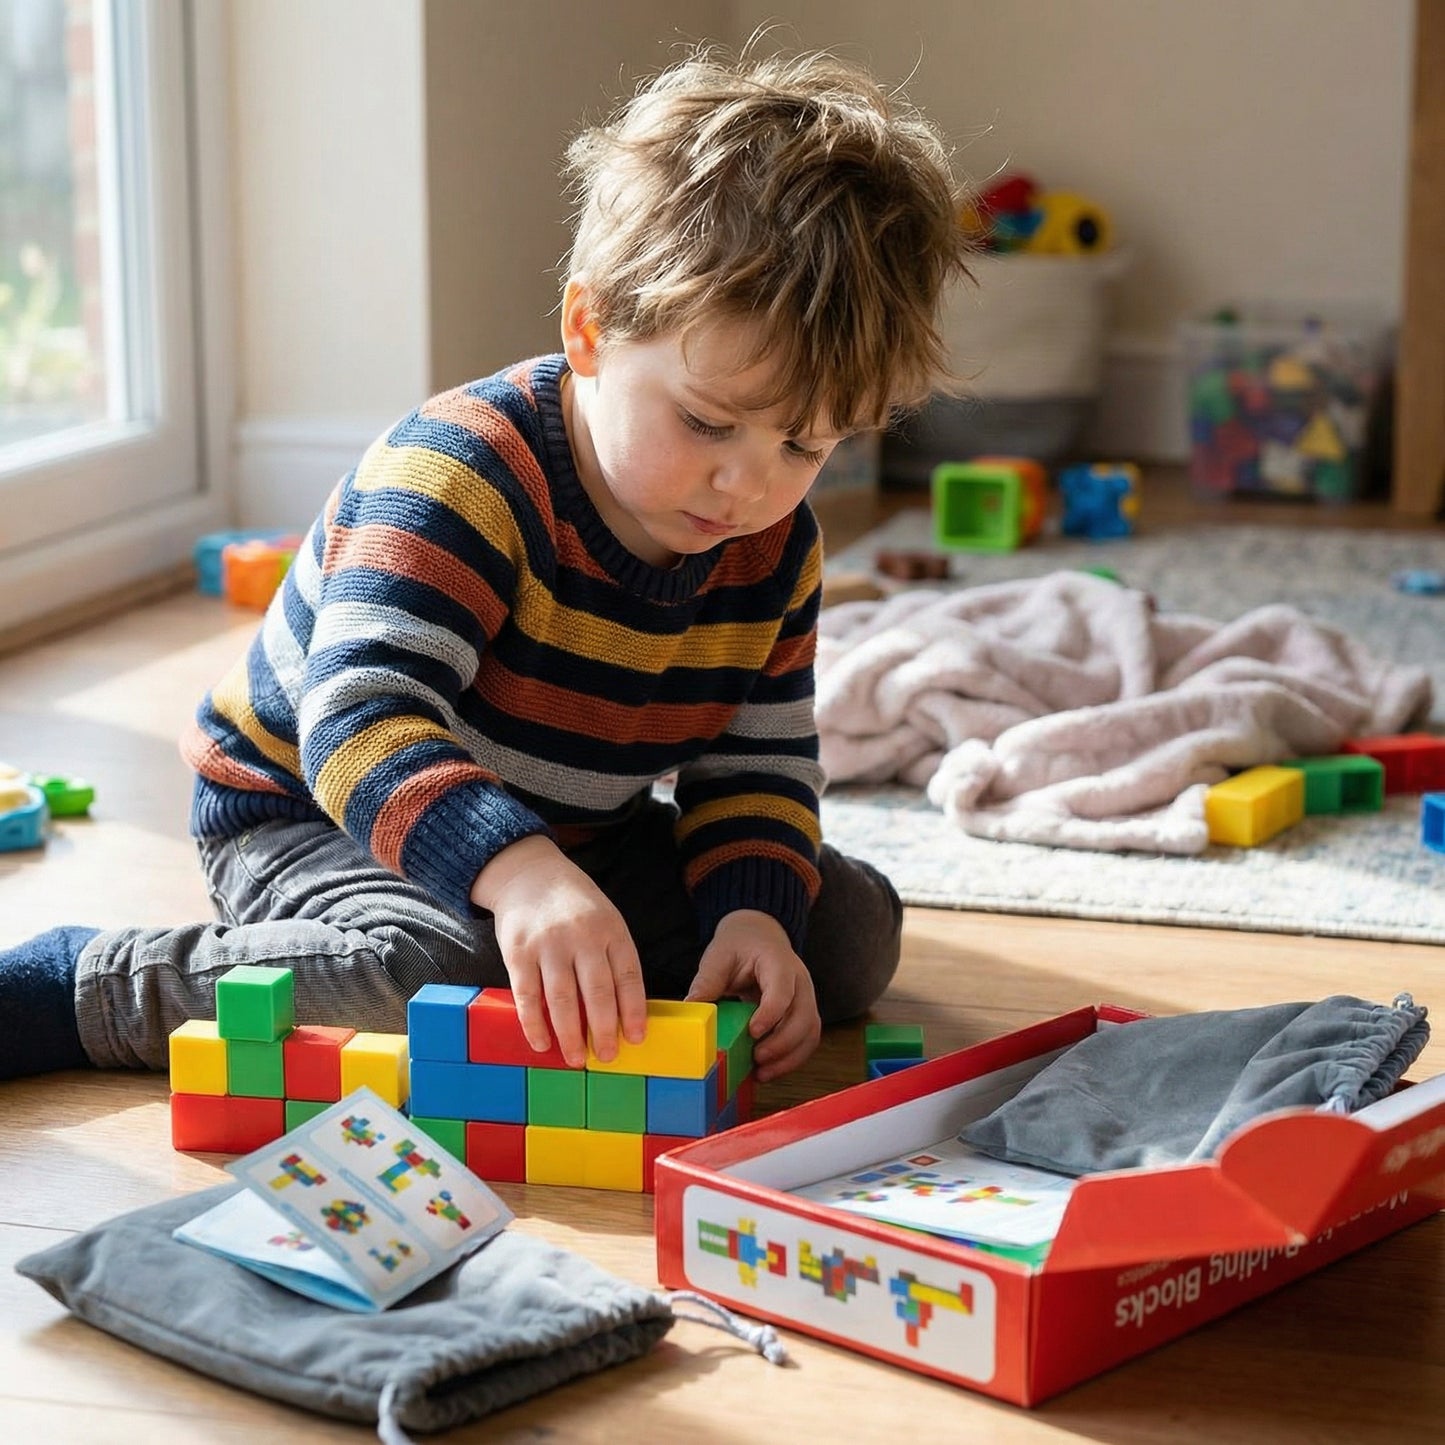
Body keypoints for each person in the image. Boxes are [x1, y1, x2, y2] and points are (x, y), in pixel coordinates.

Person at [0, 44, 971, 1084]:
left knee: (847, 930)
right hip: (318, 815)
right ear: (589, 328)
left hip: (567, 833)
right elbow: (359, 725)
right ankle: (86, 985)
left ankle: (581, 939)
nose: (747, 485)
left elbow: (751, 765)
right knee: (449, 968)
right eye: (706, 422)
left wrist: (749, 913)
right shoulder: (461, 476)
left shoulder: (773, 546)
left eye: (803, 445)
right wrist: (522, 876)